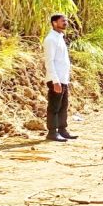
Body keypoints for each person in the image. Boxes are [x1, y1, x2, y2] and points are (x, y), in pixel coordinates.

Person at [42, 13, 75, 142]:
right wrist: (55, 81)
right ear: (54, 23)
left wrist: (64, 80)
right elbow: (49, 62)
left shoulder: (60, 37)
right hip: (56, 79)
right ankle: (52, 132)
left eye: (66, 20)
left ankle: (62, 129)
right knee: (54, 107)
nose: (65, 23)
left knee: (63, 106)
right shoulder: (51, 39)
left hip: (63, 79)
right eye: (63, 21)